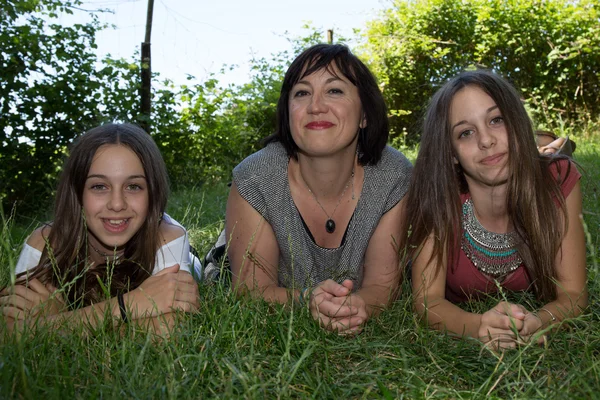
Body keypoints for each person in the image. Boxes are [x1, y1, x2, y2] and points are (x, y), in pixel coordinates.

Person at [225, 44, 412, 334]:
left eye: (334, 90)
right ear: (288, 113)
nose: (316, 106)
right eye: (302, 93)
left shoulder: (393, 176)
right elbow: (250, 292)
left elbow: (382, 286)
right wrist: (307, 301)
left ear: (364, 114)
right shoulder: (256, 177)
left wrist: (356, 307)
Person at [402, 70, 587, 349]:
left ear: (516, 122)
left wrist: (538, 321)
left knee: (552, 157)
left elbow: (573, 293)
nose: (486, 140)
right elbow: (428, 301)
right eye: (465, 133)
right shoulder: (438, 196)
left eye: (496, 120)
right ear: (451, 152)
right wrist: (479, 327)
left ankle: (552, 145)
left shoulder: (558, 182)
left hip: (540, 163)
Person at [1, 123, 200, 334]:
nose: (116, 204)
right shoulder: (44, 244)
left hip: (189, 259)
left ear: (152, 193)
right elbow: (9, 332)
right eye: (99, 186)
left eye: (133, 187)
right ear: (77, 193)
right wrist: (130, 304)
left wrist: (53, 323)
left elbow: (170, 330)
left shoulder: (168, 238)